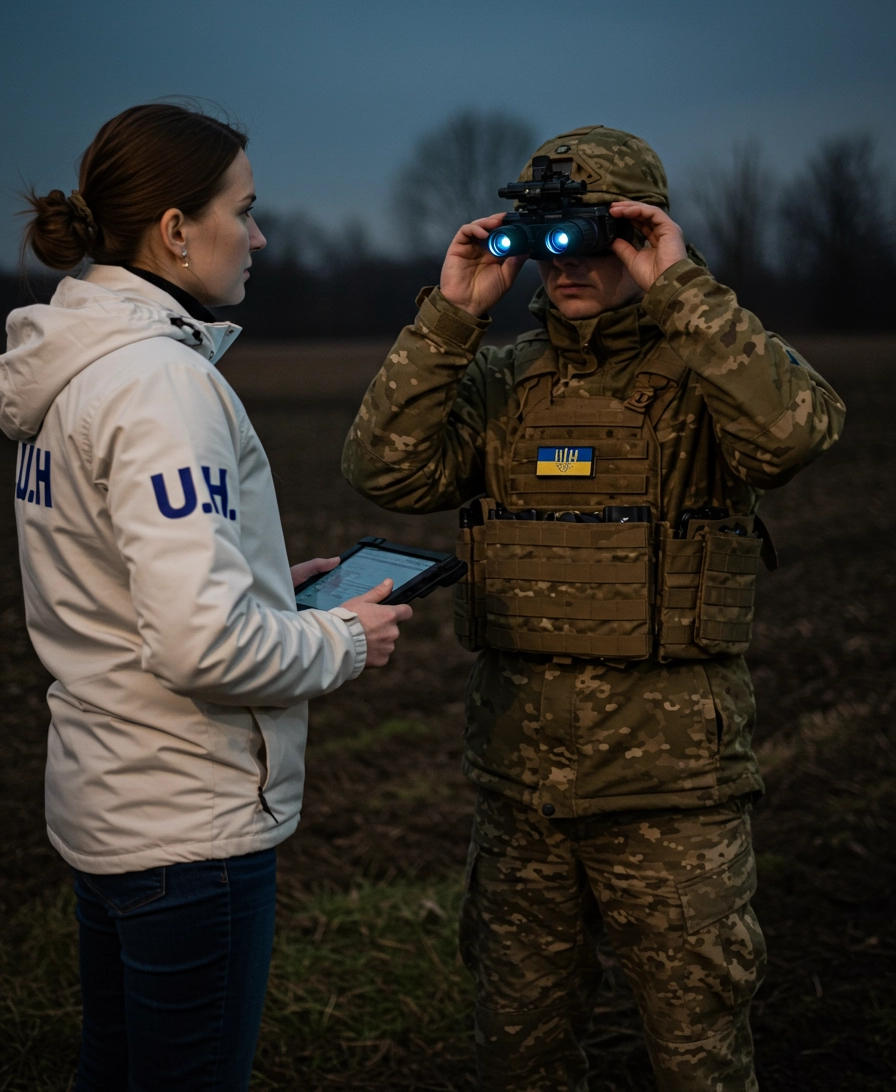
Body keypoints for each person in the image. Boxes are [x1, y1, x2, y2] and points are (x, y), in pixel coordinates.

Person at [342, 125, 846, 1092]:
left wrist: (681, 287)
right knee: (519, 1055)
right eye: (543, 239)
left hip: (673, 800)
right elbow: (383, 468)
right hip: (522, 791)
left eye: (587, 235)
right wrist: (452, 318)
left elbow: (799, 433)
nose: (561, 263)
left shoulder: (707, 377)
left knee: (700, 1059)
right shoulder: (499, 382)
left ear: (639, 234)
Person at [0, 102, 412, 1092]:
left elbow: (117, 589)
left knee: (115, 1069)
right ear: (175, 229)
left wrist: (277, 588)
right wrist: (341, 639)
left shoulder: (72, 369)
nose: (261, 235)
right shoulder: (159, 386)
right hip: (188, 829)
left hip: (106, 807)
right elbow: (200, 645)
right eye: (245, 207)